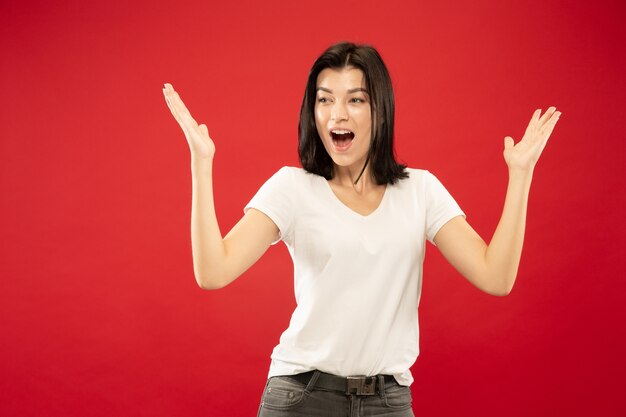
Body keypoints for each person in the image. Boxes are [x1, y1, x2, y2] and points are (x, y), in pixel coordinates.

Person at [162, 41, 561, 417]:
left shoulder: (419, 190)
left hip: (387, 401)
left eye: (355, 99)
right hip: (302, 397)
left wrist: (521, 175)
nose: (338, 113)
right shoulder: (293, 188)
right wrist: (202, 163)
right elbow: (213, 272)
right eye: (325, 99)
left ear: (380, 111)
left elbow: (496, 276)